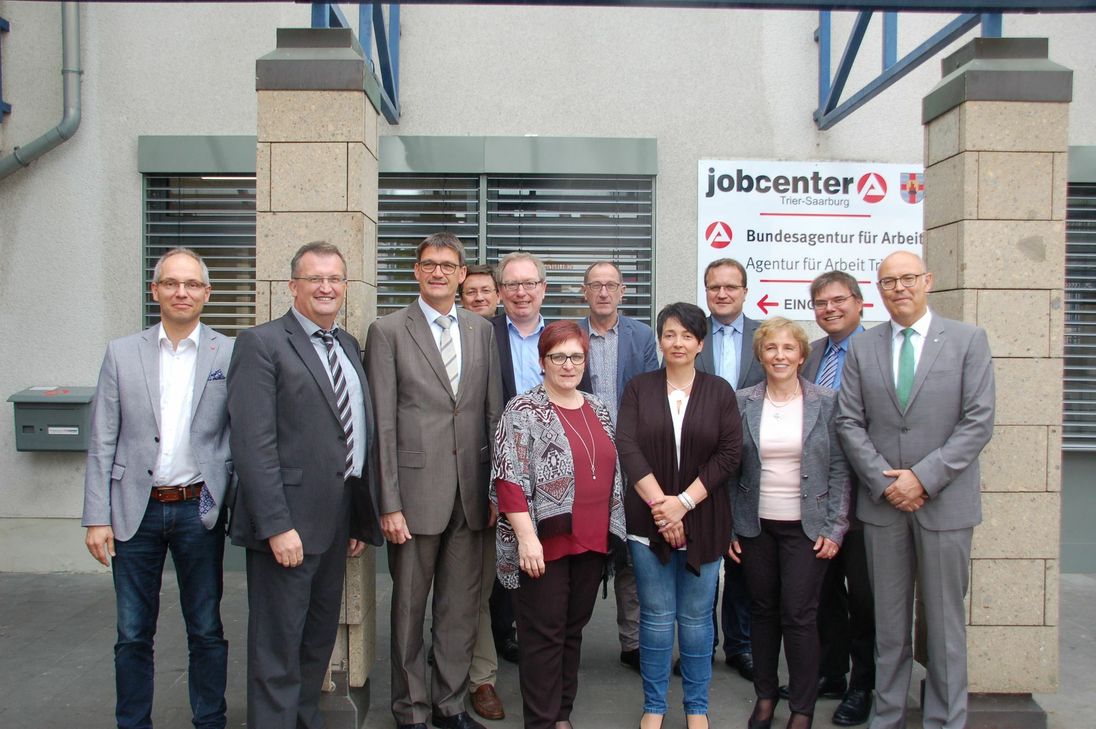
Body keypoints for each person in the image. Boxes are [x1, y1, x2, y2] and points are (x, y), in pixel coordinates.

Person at [228, 241, 383, 729]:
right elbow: (253, 446)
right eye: (315, 278)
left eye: (334, 278)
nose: (326, 287)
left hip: (336, 518)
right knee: (277, 643)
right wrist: (276, 526)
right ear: (293, 286)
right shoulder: (261, 343)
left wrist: (357, 517)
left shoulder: (347, 344)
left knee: (317, 635)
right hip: (287, 523)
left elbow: (349, 432)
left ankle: (304, 718)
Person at [836, 251, 995, 729]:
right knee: (888, 626)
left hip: (945, 505)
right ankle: (887, 717)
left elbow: (978, 421)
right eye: (888, 281)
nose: (899, 288)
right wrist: (885, 481)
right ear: (878, 290)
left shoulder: (967, 340)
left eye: (907, 278)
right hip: (884, 506)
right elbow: (848, 421)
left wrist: (922, 478)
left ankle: (945, 721)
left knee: (944, 626)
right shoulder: (864, 347)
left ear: (928, 280)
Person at [83, 247, 233, 729]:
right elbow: (102, 439)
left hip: (198, 508)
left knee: (206, 628)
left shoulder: (229, 353)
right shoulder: (122, 353)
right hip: (135, 509)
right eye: (171, 283)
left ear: (207, 293)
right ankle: (133, 722)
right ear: (155, 291)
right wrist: (97, 517)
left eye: (191, 284)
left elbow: (240, 432)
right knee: (132, 632)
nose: (181, 292)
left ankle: (210, 720)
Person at [365, 232, 503, 729]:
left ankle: (450, 705)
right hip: (414, 496)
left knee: (460, 608)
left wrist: (495, 489)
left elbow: (491, 413)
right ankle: (410, 711)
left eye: (448, 265)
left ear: (462, 274)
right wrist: (389, 501)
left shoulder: (481, 330)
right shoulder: (387, 331)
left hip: (472, 493)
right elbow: (382, 425)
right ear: (416, 272)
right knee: (408, 608)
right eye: (429, 264)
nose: (438, 272)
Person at [490, 320, 627, 729]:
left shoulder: (597, 407)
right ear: (542, 361)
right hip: (543, 544)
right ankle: (542, 721)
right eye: (558, 356)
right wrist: (526, 538)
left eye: (576, 357)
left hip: (592, 539)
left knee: (572, 631)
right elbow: (509, 477)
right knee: (542, 637)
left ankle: (561, 715)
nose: (568, 365)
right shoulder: (523, 409)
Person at [617, 302, 742, 729]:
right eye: (669, 334)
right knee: (654, 620)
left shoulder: (719, 391)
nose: (678, 343)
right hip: (647, 521)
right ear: (659, 340)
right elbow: (627, 447)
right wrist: (663, 509)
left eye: (687, 335)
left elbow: (729, 454)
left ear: (701, 343)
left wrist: (683, 504)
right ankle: (654, 706)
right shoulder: (639, 388)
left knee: (695, 620)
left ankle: (696, 707)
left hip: (704, 520)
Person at [727, 317, 851, 729]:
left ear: (801, 355)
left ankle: (801, 707)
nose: (779, 355)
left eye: (788, 348)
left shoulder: (826, 401)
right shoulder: (742, 401)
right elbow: (730, 470)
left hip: (807, 528)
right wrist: (730, 528)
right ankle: (765, 697)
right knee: (762, 612)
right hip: (755, 526)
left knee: (799, 614)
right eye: (771, 348)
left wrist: (835, 528)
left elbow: (840, 468)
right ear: (760, 355)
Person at [797, 271, 873, 727]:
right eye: (821, 303)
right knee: (823, 590)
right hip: (819, 493)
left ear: (860, 303)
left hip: (866, 493)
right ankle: (831, 673)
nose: (829, 309)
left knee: (862, 593)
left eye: (838, 300)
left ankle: (863, 684)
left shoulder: (876, 350)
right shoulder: (813, 355)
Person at [576, 260, 659, 671]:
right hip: (583, 456)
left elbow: (651, 394)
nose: (604, 292)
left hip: (630, 458)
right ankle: (568, 637)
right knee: (582, 549)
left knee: (631, 550)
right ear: (584, 291)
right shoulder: (571, 334)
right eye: (596, 285)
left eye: (611, 285)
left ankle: (633, 643)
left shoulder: (642, 336)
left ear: (623, 291)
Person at [695, 257, 763, 681]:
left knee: (743, 557)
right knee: (702, 558)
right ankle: (703, 644)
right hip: (700, 462)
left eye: (730, 287)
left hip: (752, 464)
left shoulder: (764, 337)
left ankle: (741, 645)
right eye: (714, 287)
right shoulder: (691, 333)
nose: (722, 294)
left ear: (744, 291)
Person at [489, 251, 550, 663]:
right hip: (500, 463)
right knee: (501, 554)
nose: (521, 292)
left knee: (544, 552)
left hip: (551, 467)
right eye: (512, 284)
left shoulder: (562, 337)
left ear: (543, 288)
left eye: (529, 283)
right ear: (500, 291)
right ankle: (499, 635)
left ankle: (538, 634)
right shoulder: (482, 333)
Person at [458, 261, 507, 721]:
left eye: (485, 291)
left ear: (499, 295)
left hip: (514, 478)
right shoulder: (452, 337)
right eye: (469, 291)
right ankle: (479, 677)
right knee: (471, 586)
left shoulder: (511, 338)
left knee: (493, 585)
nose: (477, 298)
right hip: (462, 480)